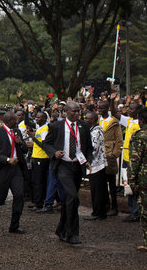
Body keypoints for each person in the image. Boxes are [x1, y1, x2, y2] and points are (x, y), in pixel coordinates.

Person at [41, 101, 92, 245]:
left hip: (77, 166)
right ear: (66, 112)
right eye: (73, 111)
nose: (77, 114)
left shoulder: (84, 126)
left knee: (69, 200)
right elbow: (46, 143)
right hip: (63, 166)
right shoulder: (56, 126)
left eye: (78, 111)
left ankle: (61, 230)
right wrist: (54, 153)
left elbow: (88, 147)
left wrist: (88, 160)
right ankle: (71, 233)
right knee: (72, 196)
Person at [0, 111, 28, 233]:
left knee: (19, 195)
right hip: (2, 169)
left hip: (16, 169)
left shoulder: (17, 132)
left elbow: (24, 149)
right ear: (8, 121)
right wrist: (7, 159)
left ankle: (14, 226)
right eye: (15, 119)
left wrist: (21, 143)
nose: (17, 121)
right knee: (0, 198)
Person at [110, 91, 142, 222]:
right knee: (128, 186)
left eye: (132, 109)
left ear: (138, 111)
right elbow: (114, 113)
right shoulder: (128, 120)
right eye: (129, 108)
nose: (128, 110)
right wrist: (112, 101)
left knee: (137, 186)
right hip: (127, 158)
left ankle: (137, 212)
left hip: (137, 160)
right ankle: (133, 211)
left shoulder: (141, 123)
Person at [97, 100, 123, 216]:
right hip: (99, 155)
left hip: (109, 154)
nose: (99, 110)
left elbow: (119, 140)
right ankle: (105, 205)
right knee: (101, 182)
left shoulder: (114, 122)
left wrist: (114, 154)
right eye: (98, 108)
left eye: (102, 108)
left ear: (107, 108)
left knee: (112, 184)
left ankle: (114, 207)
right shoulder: (98, 120)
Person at [128, 107, 147, 251]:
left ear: (140, 120)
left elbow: (135, 160)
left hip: (144, 180)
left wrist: (132, 179)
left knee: (145, 211)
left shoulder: (139, 136)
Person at [84, 111, 108, 220]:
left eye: (87, 118)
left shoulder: (96, 131)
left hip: (96, 164)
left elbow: (93, 148)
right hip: (96, 164)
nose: (85, 120)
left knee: (97, 190)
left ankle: (98, 213)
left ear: (93, 120)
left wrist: (84, 159)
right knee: (97, 189)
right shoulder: (93, 130)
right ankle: (99, 212)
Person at [30, 111, 50, 211]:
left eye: (39, 117)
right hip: (36, 156)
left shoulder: (45, 129)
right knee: (35, 180)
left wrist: (33, 138)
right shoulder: (40, 128)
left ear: (44, 119)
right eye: (36, 117)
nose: (36, 119)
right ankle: (37, 201)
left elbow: (44, 144)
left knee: (40, 181)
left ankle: (40, 203)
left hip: (42, 158)